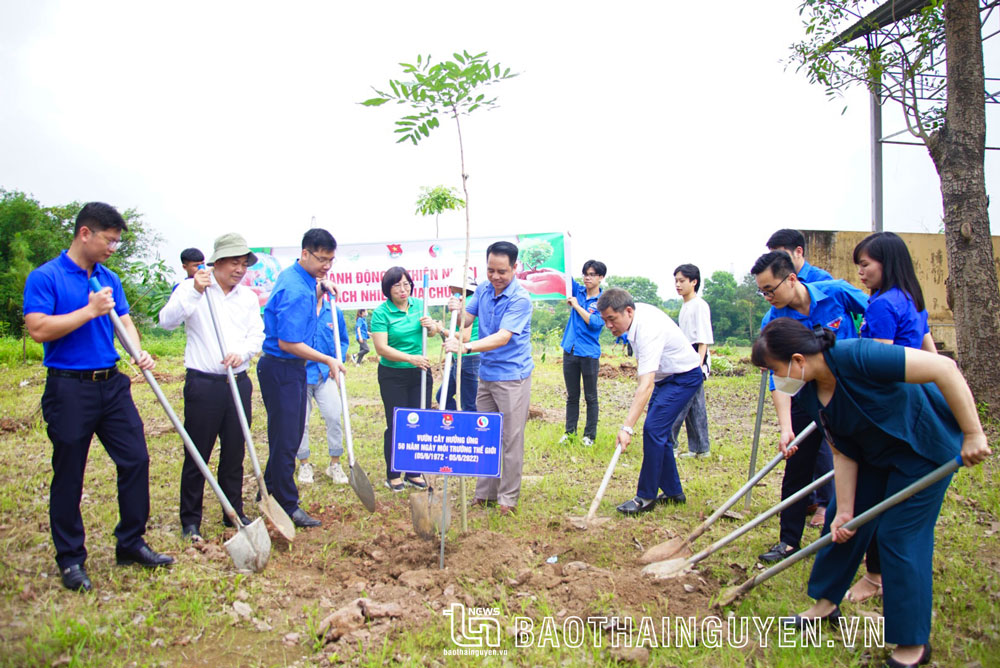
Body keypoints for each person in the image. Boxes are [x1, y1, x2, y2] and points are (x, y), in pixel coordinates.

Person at [751, 318, 990, 668]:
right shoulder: (810, 393)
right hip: (874, 455)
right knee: (838, 520)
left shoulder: (859, 355)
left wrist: (973, 434)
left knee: (899, 534)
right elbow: (842, 450)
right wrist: (846, 510)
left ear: (798, 360)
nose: (776, 378)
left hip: (923, 447)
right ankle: (825, 605)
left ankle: (912, 644)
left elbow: (945, 368)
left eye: (774, 369)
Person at [23, 202, 174, 592]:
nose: (112, 248)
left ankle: (131, 542)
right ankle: (71, 559)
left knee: (136, 459)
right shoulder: (47, 277)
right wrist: (89, 311)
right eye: (108, 240)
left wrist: (136, 350)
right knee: (70, 471)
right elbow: (38, 328)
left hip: (112, 384)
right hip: (69, 387)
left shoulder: (108, 278)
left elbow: (123, 320)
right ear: (85, 233)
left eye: (117, 242)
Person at [751, 250, 869, 562]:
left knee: (855, 461)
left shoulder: (837, 293)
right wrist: (786, 427)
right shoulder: (773, 321)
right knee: (797, 465)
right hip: (806, 393)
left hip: (849, 391)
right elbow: (779, 378)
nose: (766, 297)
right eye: (760, 291)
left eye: (769, 290)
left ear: (791, 278)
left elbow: (877, 316)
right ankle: (788, 541)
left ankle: (852, 539)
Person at [845, 231, 937, 605]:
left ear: (887, 262)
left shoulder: (882, 305)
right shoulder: (912, 299)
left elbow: (879, 366)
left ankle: (874, 576)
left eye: (866, 265)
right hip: (913, 402)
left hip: (886, 409)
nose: (861, 273)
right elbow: (930, 352)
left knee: (877, 497)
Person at [158, 233, 264, 541]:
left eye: (244, 264)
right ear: (216, 262)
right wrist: (193, 291)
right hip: (204, 384)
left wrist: (242, 353)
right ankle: (190, 519)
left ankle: (233, 510)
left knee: (234, 451)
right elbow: (166, 321)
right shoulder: (193, 288)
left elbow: (256, 335)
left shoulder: (247, 297)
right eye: (234, 262)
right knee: (197, 453)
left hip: (238, 382)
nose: (239, 269)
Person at [257, 228, 347, 529]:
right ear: (305, 253)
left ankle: (269, 490)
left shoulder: (300, 278)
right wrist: (328, 358)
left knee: (288, 435)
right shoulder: (296, 289)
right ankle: (286, 504)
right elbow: (288, 342)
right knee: (287, 440)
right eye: (321, 259)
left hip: (289, 368)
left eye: (331, 260)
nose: (326, 266)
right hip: (283, 367)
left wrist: (320, 287)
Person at [444, 241, 534, 516]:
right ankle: (484, 493)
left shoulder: (520, 299)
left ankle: (507, 498)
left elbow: (503, 337)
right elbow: (467, 321)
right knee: (485, 436)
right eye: (490, 270)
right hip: (487, 374)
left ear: (514, 268)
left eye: (502, 271)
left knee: (510, 438)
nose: (495, 276)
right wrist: (456, 310)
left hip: (512, 377)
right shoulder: (483, 289)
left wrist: (467, 347)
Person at [596, 288, 702, 515]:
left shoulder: (647, 330)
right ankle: (674, 493)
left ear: (628, 311)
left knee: (653, 429)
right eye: (604, 320)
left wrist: (626, 428)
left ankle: (645, 496)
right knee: (658, 433)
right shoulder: (635, 316)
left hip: (683, 377)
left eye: (612, 319)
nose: (608, 326)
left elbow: (645, 385)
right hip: (667, 377)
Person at [370, 266, 433, 492]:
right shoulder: (381, 313)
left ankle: (414, 472)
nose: (403, 289)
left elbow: (433, 332)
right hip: (393, 374)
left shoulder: (419, 306)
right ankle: (394, 473)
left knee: (419, 422)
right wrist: (410, 358)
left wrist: (433, 327)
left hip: (420, 372)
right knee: (397, 424)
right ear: (388, 289)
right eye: (397, 285)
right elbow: (381, 348)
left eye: (406, 284)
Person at [295, 292, 350, 485]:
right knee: (301, 421)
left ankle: (335, 463)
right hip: (301, 374)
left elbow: (342, 341)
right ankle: (304, 464)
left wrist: (337, 362)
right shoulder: (299, 310)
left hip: (325, 374)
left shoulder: (334, 312)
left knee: (334, 415)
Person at [559, 260, 606, 446]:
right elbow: (564, 274)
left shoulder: (603, 301)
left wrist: (577, 306)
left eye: (592, 274)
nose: (587, 277)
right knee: (572, 395)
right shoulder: (576, 290)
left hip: (589, 353)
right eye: (585, 273)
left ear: (601, 277)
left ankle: (589, 436)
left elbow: (595, 323)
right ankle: (570, 433)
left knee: (591, 396)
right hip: (570, 350)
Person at [671, 264, 713, 459]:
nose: (678, 285)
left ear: (694, 282)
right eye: (676, 281)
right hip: (685, 356)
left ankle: (669, 443)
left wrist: (698, 366)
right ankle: (700, 448)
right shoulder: (685, 305)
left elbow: (703, 339)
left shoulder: (699, 305)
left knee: (679, 403)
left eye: (682, 281)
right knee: (695, 406)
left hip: (695, 358)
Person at [436, 267, 480, 412]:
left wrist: (441, 330)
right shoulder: (464, 300)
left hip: (469, 358)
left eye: (451, 285)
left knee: (469, 404)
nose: (449, 288)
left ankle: (470, 431)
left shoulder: (467, 302)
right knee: (442, 396)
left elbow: (464, 337)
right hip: (460, 358)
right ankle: (455, 422)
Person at [766, 228, 833, 283]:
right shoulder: (780, 281)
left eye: (780, 255)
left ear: (798, 252)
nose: (776, 261)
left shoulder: (821, 280)